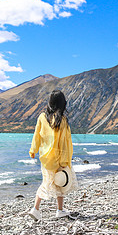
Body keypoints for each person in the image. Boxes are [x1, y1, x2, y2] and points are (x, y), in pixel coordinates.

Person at [28, 90, 78, 220]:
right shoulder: (63, 120)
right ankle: (53, 210)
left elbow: (36, 136)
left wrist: (33, 150)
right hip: (60, 158)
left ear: (50, 103)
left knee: (47, 182)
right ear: (62, 104)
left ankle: (39, 209)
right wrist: (66, 160)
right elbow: (66, 142)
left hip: (46, 159)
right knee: (61, 183)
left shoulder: (42, 117)